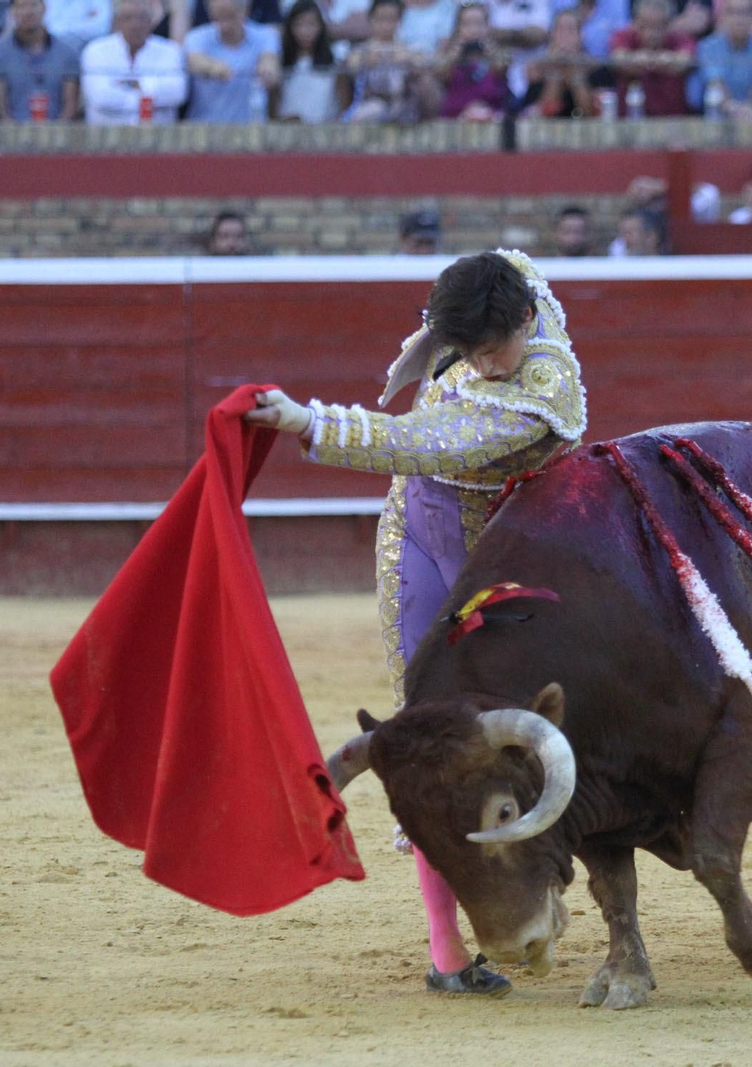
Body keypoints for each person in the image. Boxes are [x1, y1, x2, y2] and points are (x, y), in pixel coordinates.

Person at [241, 251, 587, 999]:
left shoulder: (542, 392)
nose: (488, 366)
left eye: (495, 349)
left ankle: (539, 887)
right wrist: (430, 345)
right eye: (470, 352)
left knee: (535, 718)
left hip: (505, 555)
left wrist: (308, 421)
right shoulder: (512, 290)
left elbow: (416, 439)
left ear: (529, 322)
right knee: (430, 732)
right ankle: (447, 948)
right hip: (423, 540)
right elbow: (506, 261)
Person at [80, 0, 186, 123]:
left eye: (141, 18)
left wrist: (127, 85)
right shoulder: (96, 50)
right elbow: (100, 97)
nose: (135, 25)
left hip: (158, 136)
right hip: (105, 136)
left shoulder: (170, 51)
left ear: (151, 22)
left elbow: (177, 93)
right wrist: (146, 96)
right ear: (117, 22)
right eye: (128, 18)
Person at [0, 0, 82, 121]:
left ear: (44, 8)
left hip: (58, 133)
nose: (28, 12)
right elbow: (0, 107)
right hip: (10, 134)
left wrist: (53, 135)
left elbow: (71, 106)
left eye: (34, 5)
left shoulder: (68, 53)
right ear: (12, 11)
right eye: (21, 6)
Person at [184, 0, 281, 121]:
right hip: (204, 129)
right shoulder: (196, 37)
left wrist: (268, 70)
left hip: (251, 130)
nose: (224, 26)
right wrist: (212, 67)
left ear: (245, 11)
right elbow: (194, 61)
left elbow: (270, 60)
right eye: (218, 18)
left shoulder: (266, 35)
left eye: (230, 17)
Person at [343, 0, 428, 121]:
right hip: (370, 106)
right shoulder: (361, 51)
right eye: (381, 19)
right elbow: (350, 66)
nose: (386, 25)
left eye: (392, 19)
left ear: (399, 21)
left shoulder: (408, 50)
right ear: (371, 19)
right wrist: (366, 60)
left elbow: (423, 66)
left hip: (402, 108)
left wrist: (408, 60)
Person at [695, 0, 752, 117]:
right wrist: (734, 110)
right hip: (720, 123)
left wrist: (750, 107)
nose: (739, 19)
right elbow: (715, 83)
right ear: (723, 16)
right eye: (733, 12)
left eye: (745, 12)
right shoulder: (708, 47)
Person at [608, 0, 695, 116]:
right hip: (631, 119)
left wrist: (664, 60)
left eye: (657, 26)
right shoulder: (623, 36)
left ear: (668, 25)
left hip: (673, 119)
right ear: (635, 22)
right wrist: (640, 59)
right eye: (645, 26)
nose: (651, 34)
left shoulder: (680, 38)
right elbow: (619, 59)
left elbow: (684, 62)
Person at [521, 6, 598, 117]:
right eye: (560, 29)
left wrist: (575, 74)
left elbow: (591, 115)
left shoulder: (594, 67)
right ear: (552, 34)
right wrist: (555, 72)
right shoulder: (538, 68)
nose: (565, 36)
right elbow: (539, 115)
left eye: (570, 30)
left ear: (580, 36)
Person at [435, 0, 506, 118]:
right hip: (454, 123)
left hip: (491, 120)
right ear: (458, 28)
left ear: (488, 26)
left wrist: (491, 54)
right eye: (467, 24)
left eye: (479, 23)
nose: (474, 29)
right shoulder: (448, 53)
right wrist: (453, 55)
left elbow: (501, 69)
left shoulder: (497, 53)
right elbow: (440, 74)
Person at [273, 0, 342, 120]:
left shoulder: (335, 63)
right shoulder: (280, 62)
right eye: (299, 24)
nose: (305, 31)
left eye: (311, 24)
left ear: (321, 26)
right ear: (290, 27)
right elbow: (274, 108)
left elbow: (342, 109)